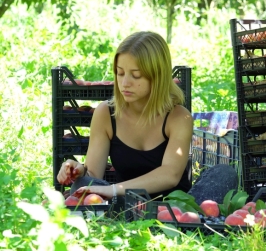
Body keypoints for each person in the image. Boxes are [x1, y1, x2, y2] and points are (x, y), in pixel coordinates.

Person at [57, 31, 193, 202]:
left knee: (222, 175)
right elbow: (93, 176)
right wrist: (78, 170)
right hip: (126, 204)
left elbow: (170, 175)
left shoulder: (179, 117)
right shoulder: (106, 113)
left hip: (173, 207)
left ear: (157, 76)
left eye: (135, 75)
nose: (124, 83)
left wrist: (114, 189)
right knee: (82, 184)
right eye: (120, 73)